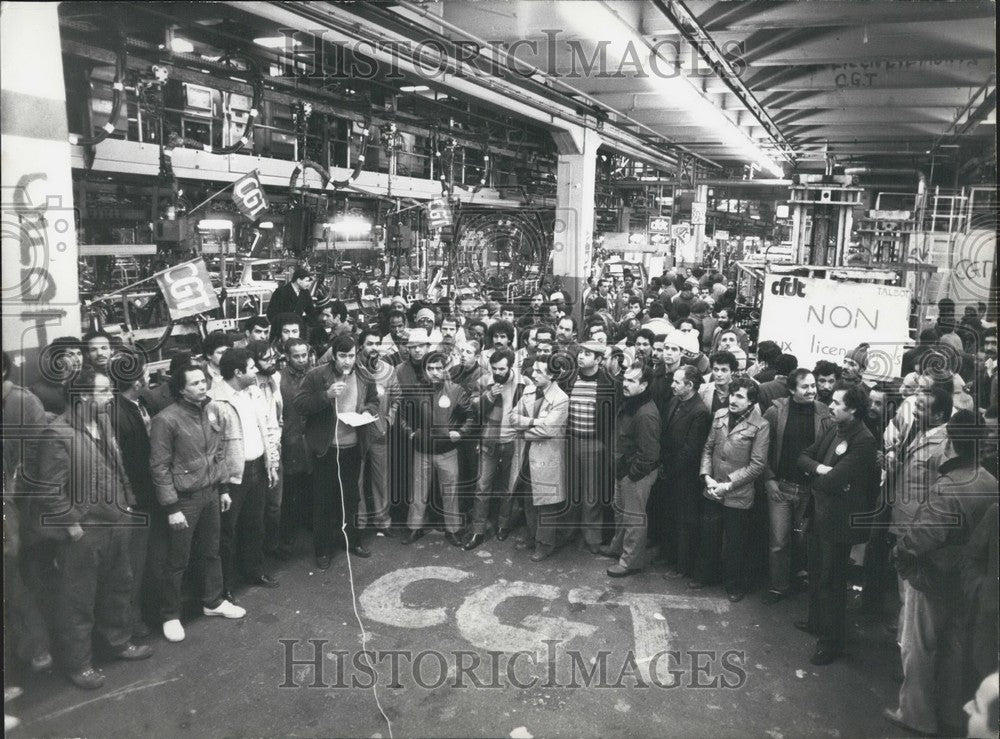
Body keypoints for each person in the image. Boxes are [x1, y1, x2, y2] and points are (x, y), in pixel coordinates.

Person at [35, 368, 152, 688]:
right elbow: (49, 489)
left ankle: (119, 642)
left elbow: (117, 467)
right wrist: (72, 525)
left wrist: (127, 502)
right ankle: (79, 664)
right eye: (103, 391)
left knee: (119, 586)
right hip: (85, 531)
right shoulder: (57, 433)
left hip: (117, 521)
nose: (110, 396)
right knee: (78, 599)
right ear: (84, 396)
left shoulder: (102, 422)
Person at [886, 410, 998, 736]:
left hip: (933, 579)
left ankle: (916, 715)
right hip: (966, 582)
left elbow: (921, 538)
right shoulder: (990, 481)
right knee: (954, 646)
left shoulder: (947, 489)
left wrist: (899, 554)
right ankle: (950, 712)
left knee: (918, 646)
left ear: (950, 443)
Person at [150, 362, 246, 643]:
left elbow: (218, 452)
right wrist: (171, 507)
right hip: (185, 499)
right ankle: (170, 615)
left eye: (203, 380)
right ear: (180, 389)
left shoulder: (212, 409)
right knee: (177, 560)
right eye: (194, 383)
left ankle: (212, 601)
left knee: (211, 551)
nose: (202, 385)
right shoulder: (166, 420)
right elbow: (159, 467)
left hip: (210, 493)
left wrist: (224, 487)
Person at [795, 382, 879, 665]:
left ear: (852, 409)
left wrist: (819, 477)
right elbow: (804, 456)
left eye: (836, 403)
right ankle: (816, 623)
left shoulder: (864, 440)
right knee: (817, 573)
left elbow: (835, 481)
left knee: (832, 580)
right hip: (820, 515)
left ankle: (831, 643)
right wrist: (819, 469)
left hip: (839, 523)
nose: (829, 406)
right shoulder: (834, 427)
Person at [294, 334, 379, 569]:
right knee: (323, 500)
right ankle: (323, 550)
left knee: (351, 498)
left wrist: (366, 413)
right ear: (333, 355)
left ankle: (353, 541)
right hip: (326, 449)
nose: (347, 362)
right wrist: (326, 396)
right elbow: (299, 404)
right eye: (343, 356)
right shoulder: (317, 375)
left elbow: (373, 401)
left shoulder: (364, 375)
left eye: (351, 356)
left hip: (353, 447)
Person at [208, 347, 281, 599]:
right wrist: (223, 485)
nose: (256, 370)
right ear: (238, 372)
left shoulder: (253, 392)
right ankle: (226, 585)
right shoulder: (215, 402)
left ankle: (253, 571)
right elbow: (213, 447)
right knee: (227, 532)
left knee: (254, 524)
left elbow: (267, 428)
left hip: (257, 467)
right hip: (232, 476)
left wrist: (271, 463)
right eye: (251, 368)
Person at [692, 377, 770, 602]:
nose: (733, 400)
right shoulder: (719, 415)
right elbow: (708, 448)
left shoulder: (761, 426)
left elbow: (757, 465)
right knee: (709, 535)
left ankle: (734, 584)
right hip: (713, 487)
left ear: (751, 401)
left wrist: (729, 483)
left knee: (736, 542)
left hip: (737, 493)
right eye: (732, 395)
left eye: (740, 396)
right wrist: (706, 477)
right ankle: (705, 576)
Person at [760, 368, 833, 604]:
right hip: (780, 488)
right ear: (792, 389)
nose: (812, 390)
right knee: (779, 540)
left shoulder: (825, 414)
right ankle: (778, 585)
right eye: (806, 386)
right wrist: (769, 479)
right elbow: (763, 450)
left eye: (813, 385)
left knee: (802, 539)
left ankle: (798, 577)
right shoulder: (774, 412)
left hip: (809, 490)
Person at [106, 351, 157, 639]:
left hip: (147, 495)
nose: (150, 379)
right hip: (136, 500)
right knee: (132, 566)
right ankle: (130, 624)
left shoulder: (140, 403)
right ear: (137, 382)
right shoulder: (118, 413)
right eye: (146, 375)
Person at [400, 350, 475, 546]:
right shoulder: (415, 390)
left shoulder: (456, 390)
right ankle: (414, 528)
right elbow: (402, 417)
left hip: (447, 451)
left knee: (450, 493)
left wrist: (461, 432)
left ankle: (453, 531)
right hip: (422, 451)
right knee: (418, 493)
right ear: (424, 370)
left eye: (439, 368)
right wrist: (411, 433)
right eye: (430, 368)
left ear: (445, 369)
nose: (434, 372)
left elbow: (470, 416)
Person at [464, 347, 530, 550]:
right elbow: (475, 409)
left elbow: (531, 412)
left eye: (502, 368)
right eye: (494, 368)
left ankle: (503, 524)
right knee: (482, 487)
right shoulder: (484, 381)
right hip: (489, 441)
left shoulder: (524, 383)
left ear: (510, 366)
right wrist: (489, 396)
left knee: (508, 487)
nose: (497, 372)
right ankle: (477, 531)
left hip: (514, 441)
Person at [601, 364, 661, 577]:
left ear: (643, 385)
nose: (625, 384)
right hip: (624, 469)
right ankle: (618, 548)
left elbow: (649, 454)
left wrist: (631, 475)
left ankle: (630, 562)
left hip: (635, 474)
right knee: (620, 512)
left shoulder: (646, 413)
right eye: (625, 379)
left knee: (634, 518)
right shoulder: (631, 403)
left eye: (632, 381)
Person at [509, 357, 570, 561]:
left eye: (539, 372)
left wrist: (523, 432)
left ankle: (545, 544)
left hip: (546, 457)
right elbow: (512, 417)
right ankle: (534, 536)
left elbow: (548, 429)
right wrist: (535, 421)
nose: (533, 375)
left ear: (552, 375)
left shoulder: (560, 399)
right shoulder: (528, 391)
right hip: (526, 455)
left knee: (545, 503)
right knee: (528, 498)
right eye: (533, 370)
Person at [660, 365, 712, 580]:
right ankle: (669, 556)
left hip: (685, 477)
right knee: (670, 516)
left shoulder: (699, 411)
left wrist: (669, 470)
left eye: (677, 382)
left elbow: (691, 450)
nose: (672, 385)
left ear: (690, 385)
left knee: (685, 522)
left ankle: (682, 566)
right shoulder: (675, 401)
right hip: (670, 471)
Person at [566, 340, 617, 554]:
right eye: (581, 352)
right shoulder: (569, 379)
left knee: (591, 494)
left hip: (595, 444)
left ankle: (592, 537)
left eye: (588, 354)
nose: (581, 356)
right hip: (571, 441)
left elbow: (614, 416)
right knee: (572, 489)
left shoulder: (610, 383)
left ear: (598, 360)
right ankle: (571, 533)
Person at [355, 328, 401, 537]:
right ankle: (360, 522)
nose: (374, 348)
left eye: (377, 343)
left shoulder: (389, 370)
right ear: (361, 346)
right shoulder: (352, 369)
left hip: (379, 432)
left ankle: (383, 521)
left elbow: (397, 398)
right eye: (369, 344)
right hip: (354, 433)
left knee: (381, 479)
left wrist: (389, 419)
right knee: (357, 479)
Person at [277, 338, 313, 552]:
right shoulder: (279, 379)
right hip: (289, 439)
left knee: (311, 483)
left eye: (304, 355)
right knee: (289, 488)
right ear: (287, 357)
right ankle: (288, 530)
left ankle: (309, 522)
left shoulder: (315, 374)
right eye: (296, 356)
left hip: (311, 439)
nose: (301, 360)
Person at [31, 336, 83, 414]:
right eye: (70, 355)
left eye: (79, 354)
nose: (77, 359)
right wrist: (43, 414)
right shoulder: (39, 389)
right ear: (58, 360)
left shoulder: (89, 380)